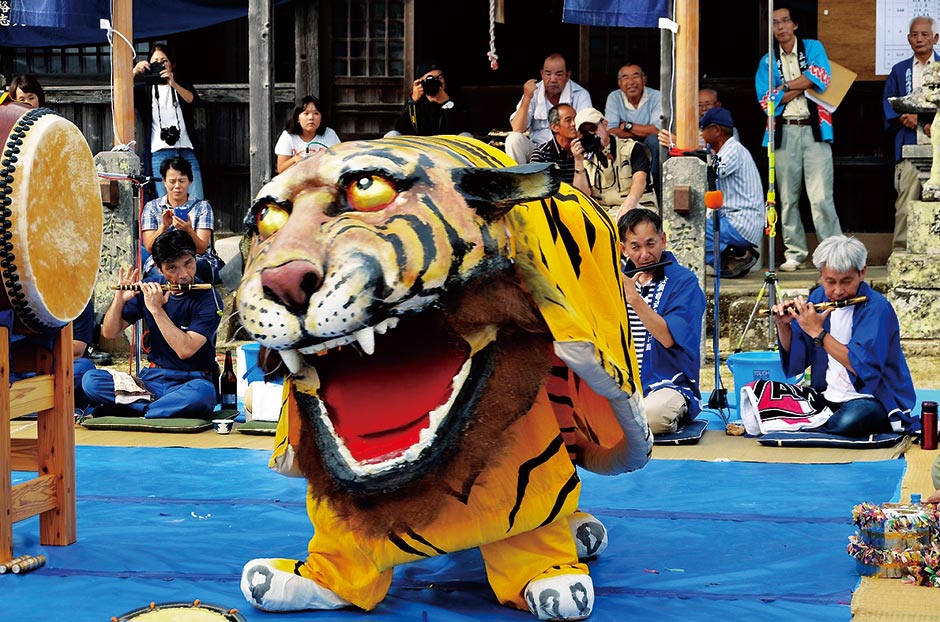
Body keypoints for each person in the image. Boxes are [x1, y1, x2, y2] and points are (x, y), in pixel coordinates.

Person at [770, 235, 916, 437]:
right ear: (821, 276)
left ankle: (808, 426)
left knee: (852, 419)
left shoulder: (877, 308)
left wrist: (818, 332)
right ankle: (814, 423)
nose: (838, 291)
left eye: (846, 281)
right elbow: (798, 357)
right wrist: (783, 325)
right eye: (830, 281)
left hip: (871, 399)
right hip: (827, 395)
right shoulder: (818, 298)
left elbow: (863, 365)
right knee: (764, 394)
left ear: (862, 273)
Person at [82, 229, 223, 420]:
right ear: (159, 268)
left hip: (193, 380)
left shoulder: (209, 297)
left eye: (188, 263)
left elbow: (185, 349)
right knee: (92, 380)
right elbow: (109, 332)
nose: (183, 275)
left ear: (195, 258)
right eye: (172, 268)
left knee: (202, 394)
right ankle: (157, 408)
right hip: (152, 380)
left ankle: (135, 408)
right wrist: (119, 300)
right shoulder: (151, 286)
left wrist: (156, 310)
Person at [755, 3, 842, 272]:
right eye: (775, 23)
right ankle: (795, 252)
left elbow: (823, 78)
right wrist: (802, 85)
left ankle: (833, 252)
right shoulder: (768, 61)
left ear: (794, 25)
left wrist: (784, 87)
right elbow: (766, 101)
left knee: (821, 196)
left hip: (814, 130)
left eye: (784, 21)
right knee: (786, 197)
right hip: (784, 132)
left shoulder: (813, 47)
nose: (780, 27)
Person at [618, 208, 706, 434]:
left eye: (651, 244)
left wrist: (634, 299)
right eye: (635, 247)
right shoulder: (616, 281)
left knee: (653, 415)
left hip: (667, 385)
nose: (645, 255)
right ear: (623, 249)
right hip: (621, 384)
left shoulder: (684, 282)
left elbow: (667, 338)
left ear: (663, 240)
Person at [883, 16, 940, 251]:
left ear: (935, 38)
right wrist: (905, 117)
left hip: (937, 143)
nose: (919, 39)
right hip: (909, 142)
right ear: (908, 39)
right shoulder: (900, 70)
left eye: (925, 34)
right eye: (915, 35)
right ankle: (900, 250)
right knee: (906, 202)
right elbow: (888, 104)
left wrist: (926, 119)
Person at [699, 107, 765, 278]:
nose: (700, 134)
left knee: (695, 228)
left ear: (715, 130)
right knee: (702, 219)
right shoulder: (728, 149)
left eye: (703, 129)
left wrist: (688, 151)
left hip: (740, 223)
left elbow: (713, 173)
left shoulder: (733, 150)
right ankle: (731, 256)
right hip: (735, 221)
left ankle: (735, 256)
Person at [133, 43, 204, 200]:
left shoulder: (180, 84)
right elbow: (121, 97)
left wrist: (174, 84)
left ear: (172, 64)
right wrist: (133, 73)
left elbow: (192, 100)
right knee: (164, 201)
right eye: (155, 61)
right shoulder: (144, 90)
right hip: (159, 150)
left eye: (164, 60)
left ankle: (194, 225)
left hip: (186, 148)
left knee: (196, 199)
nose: (160, 64)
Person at [141, 157, 222, 285]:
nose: (177, 186)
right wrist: (163, 227)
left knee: (196, 269)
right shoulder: (151, 207)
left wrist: (188, 230)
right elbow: (150, 247)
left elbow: (201, 249)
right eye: (172, 181)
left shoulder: (202, 207)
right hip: (164, 260)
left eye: (182, 181)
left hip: (195, 258)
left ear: (190, 181)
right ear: (164, 182)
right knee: (159, 274)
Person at [505, 53, 593, 164]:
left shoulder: (580, 94)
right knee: (513, 139)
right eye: (548, 74)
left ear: (568, 75)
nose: (552, 79)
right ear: (541, 74)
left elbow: (586, 129)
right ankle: (520, 180)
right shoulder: (534, 92)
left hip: (568, 151)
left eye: (559, 74)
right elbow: (517, 128)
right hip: (538, 152)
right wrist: (527, 97)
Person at [570, 108, 655, 220]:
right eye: (584, 132)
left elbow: (640, 181)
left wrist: (626, 210)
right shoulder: (585, 158)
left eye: (593, 128)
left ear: (605, 124)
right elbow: (583, 196)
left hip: (636, 207)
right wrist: (578, 161)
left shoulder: (632, 148)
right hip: (604, 212)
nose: (591, 134)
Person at [604, 63, 663, 199]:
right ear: (619, 83)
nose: (631, 82)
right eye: (625, 77)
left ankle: (655, 187)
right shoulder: (614, 97)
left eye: (635, 76)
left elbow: (656, 130)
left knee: (655, 141)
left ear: (644, 79)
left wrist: (627, 125)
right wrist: (641, 132)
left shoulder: (656, 96)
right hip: (624, 144)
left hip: (650, 143)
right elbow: (611, 130)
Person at [389, 61, 470, 137]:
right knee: (392, 134)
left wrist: (446, 102)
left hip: (448, 145)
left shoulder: (455, 97)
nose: (436, 81)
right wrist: (413, 101)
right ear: (420, 82)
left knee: (466, 136)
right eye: (430, 79)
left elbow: (461, 129)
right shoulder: (417, 99)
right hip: (421, 144)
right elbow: (400, 128)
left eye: (440, 77)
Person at [275, 95, 342, 174]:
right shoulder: (288, 136)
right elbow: (281, 169)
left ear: (321, 118)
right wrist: (295, 159)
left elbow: (338, 163)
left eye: (316, 113)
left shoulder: (329, 135)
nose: (311, 118)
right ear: (298, 118)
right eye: (306, 113)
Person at [531, 104, 580, 183]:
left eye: (575, 119)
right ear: (555, 127)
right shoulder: (541, 153)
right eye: (568, 120)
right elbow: (536, 187)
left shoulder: (583, 150)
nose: (574, 124)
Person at [72, 300, 97, 411]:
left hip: (57, 366)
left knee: (85, 370)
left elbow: (77, 350)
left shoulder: (78, 299)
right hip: (17, 370)